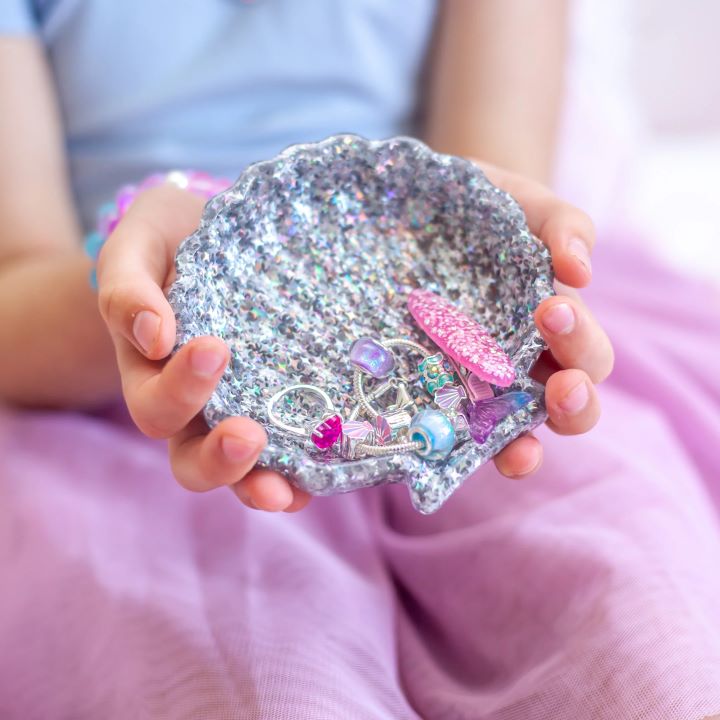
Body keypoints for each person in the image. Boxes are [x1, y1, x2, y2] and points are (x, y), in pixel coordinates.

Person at [1, 2, 719, 718]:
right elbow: (14, 299)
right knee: (261, 689)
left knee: (645, 637)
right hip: (114, 405)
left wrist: (488, 309)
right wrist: (147, 286)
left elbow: (487, 195)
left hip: (450, 361)